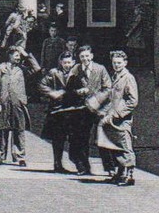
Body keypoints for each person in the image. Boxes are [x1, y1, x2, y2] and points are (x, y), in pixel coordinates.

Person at [94, 50, 139, 186]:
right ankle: (120, 174)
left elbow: (133, 101)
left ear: (125, 63)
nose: (116, 65)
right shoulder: (115, 76)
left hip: (122, 119)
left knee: (125, 146)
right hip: (111, 118)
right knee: (115, 147)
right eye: (114, 63)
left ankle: (129, 176)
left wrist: (117, 114)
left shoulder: (128, 77)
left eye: (119, 63)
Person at [39, 53, 87, 174]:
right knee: (58, 139)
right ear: (60, 62)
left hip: (73, 110)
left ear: (73, 62)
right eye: (65, 63)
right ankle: (57, 164)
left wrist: (82, 91)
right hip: (58, 111)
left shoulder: (78, 72)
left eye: (69, 62)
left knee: (75, 138)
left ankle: (79, 164)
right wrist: (52, 93)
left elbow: (86, 85)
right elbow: (42, 84)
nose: (67, 65)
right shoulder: (54, 72)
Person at [72, 45, 112, 173]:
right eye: (82, 56)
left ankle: (109, 168)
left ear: (92, 56)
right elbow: (69, 87)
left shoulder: (100, 69)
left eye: (87, 56)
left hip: (99, 109)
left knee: (103, 137)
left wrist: (97, 100)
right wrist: (77, 92)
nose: (85, 59)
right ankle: (84, 167)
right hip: (82, 109)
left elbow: (108, 88)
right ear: (79, 57)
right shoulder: (76, 70)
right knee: (82, 138)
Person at [0, 46, 33, 165]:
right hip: (4, 104)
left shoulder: (22, 69)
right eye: (16, 55)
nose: (18, 58)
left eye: (19, 56)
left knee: (19, 130)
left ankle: (20, 157)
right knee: (1, 130)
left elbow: (36, 69)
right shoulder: (1, 68)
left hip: (18, 104)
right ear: (9, 56)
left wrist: (25, 54)